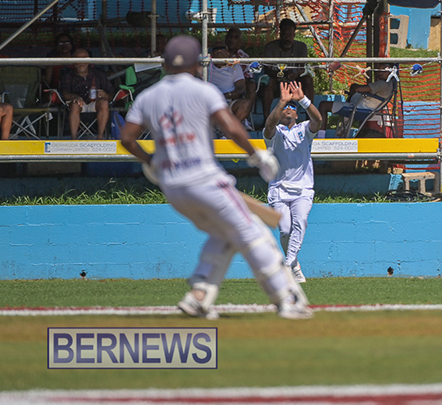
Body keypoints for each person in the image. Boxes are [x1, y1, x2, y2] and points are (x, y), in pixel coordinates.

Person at [120, 36, 312, 320]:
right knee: (255, 233)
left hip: (173, 188)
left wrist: (151, 162)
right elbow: (231, 127)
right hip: (205, 181)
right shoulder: (204, 91)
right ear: (197, 64)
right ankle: (288, 298)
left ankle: (198, 295)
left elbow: (127, 139)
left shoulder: (149, 97)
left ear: (164, 64)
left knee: (225, 235)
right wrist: (256, 156)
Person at [263, 82, 323, 283]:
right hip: (278, 188)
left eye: (292, 109)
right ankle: (295, 265)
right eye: (285, 109)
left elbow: (318, 119)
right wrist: (282, 101)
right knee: (285, 230)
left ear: (297, 115)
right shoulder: (275, 133)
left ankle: (288, 265)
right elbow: (269, 126)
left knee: (301, 222)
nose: (289, 110)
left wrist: (302, 100)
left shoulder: (305, 130)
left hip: (303, 189)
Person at [262, 18, 314, 120]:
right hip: (277, 82)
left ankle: (310, 119)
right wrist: (280, 74)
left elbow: (303, 68)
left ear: (294, 34)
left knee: (308, 80)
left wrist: (296, 74)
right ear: (280, 34)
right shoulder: (270, 47)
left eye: (289, 35)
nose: (287, 38)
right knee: (268, 84)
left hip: (295, 83)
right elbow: (267, 69)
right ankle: (267, 120)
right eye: (285, 35)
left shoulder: (301, 47)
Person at [317, 66, 395, 130]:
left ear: (390, 72)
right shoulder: (391, 85)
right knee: (350, 99)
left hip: (361, 109)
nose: (379, 73)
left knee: (323, 105)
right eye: (378, 70)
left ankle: (320, 137)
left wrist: (356, 87)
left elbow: (358, 89)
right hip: (369, 108)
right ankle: (345, 125)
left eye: (383, 71)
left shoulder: (382, 84)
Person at [59, 48, 113, 140]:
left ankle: (100, 137)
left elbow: (111, 94)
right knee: (75, 104)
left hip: (95, 103)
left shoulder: (99, 74)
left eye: (84, 59)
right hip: (77, 105)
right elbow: (64, 93)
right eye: (78, 59)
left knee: (104, 103)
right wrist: (75, 96)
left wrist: (105, 95)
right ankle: (73, 139)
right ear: (73, 61)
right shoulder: (67, 76)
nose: (81, 62)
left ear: (89, 60)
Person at [208, 45, 252, 127]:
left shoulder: (235, 67)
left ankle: (229, 132)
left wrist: (226, 96)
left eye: (222, 49)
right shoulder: (205, 67)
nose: (219, 51)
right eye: (216, 49)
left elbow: (241, 88)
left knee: (246, 103)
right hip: (209, 102)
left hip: (228, 100)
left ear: (228, 53)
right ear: (212, 54)